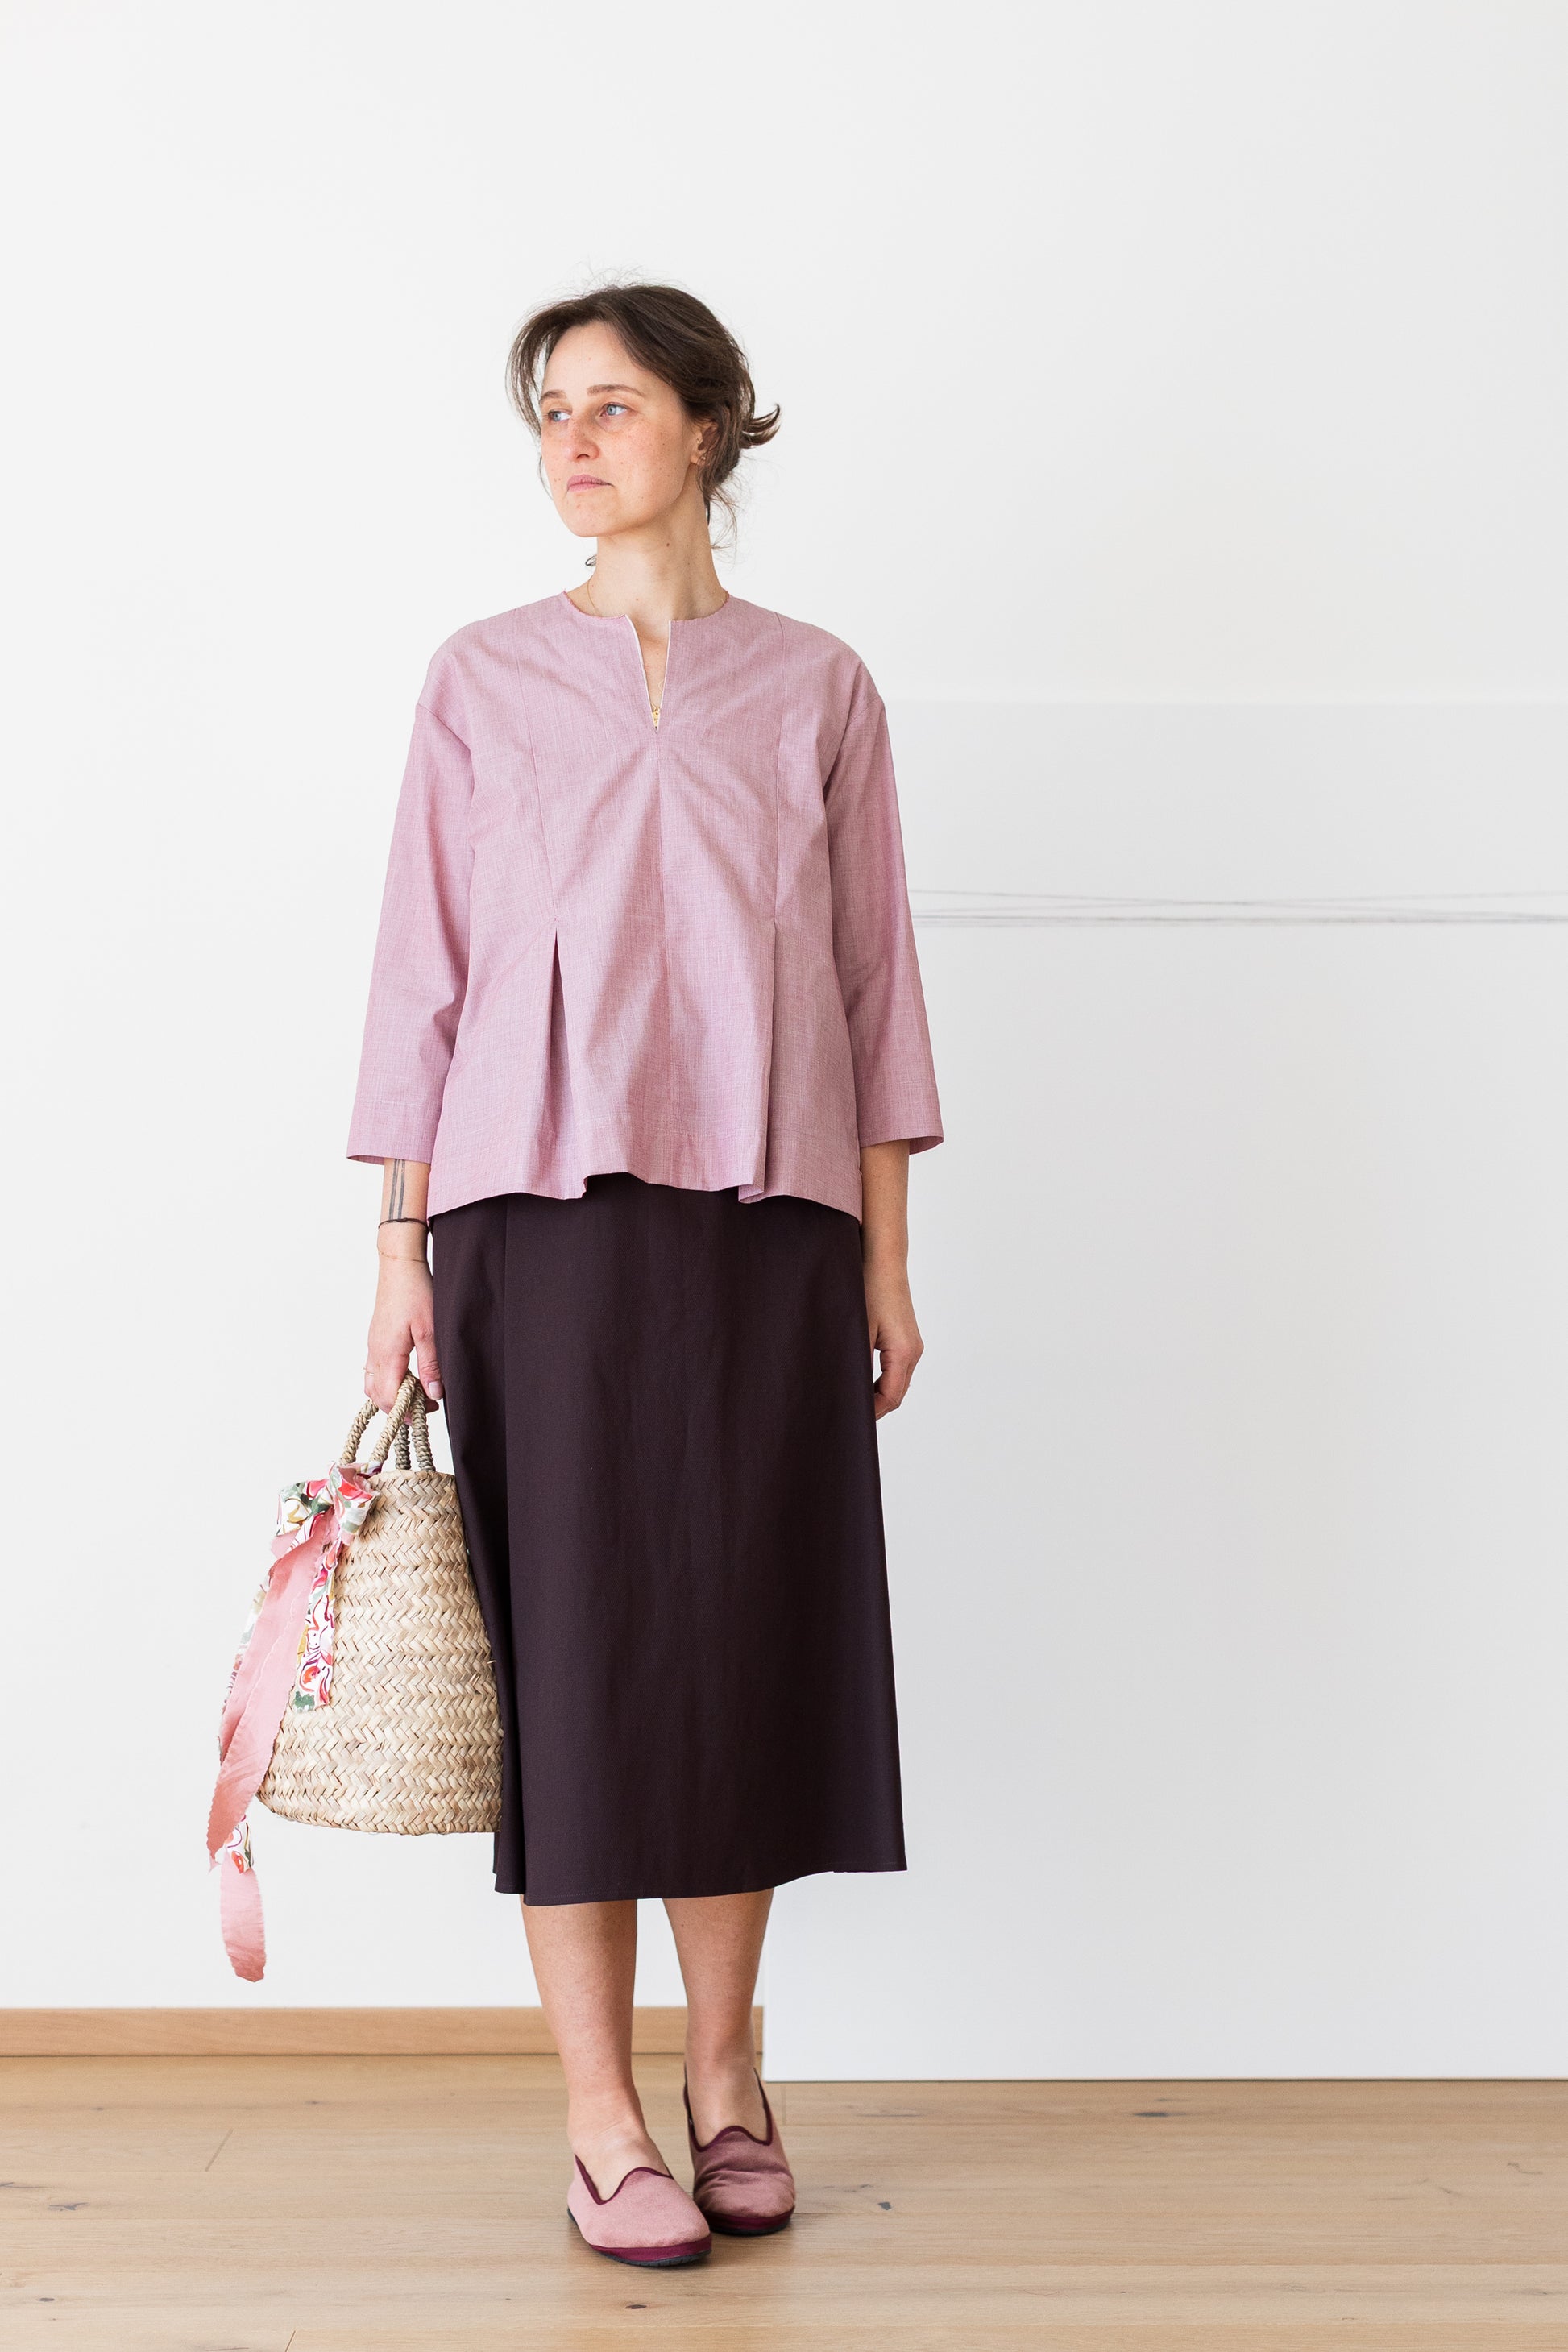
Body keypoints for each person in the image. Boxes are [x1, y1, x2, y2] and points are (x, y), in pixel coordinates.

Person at [349, 282, 944, 2268]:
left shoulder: (820, 688)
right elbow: (421, 976)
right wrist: (396, 1249)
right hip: (533, 1219)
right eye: (551, 413)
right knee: (586, 1658)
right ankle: (601, 2116)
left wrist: (887, 1254)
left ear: (707, 426)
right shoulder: (481, 680)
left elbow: (871, 983)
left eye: (611, 405)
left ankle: (728, 2074)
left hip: (772, 1220)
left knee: (738, 1641)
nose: (572, 442)